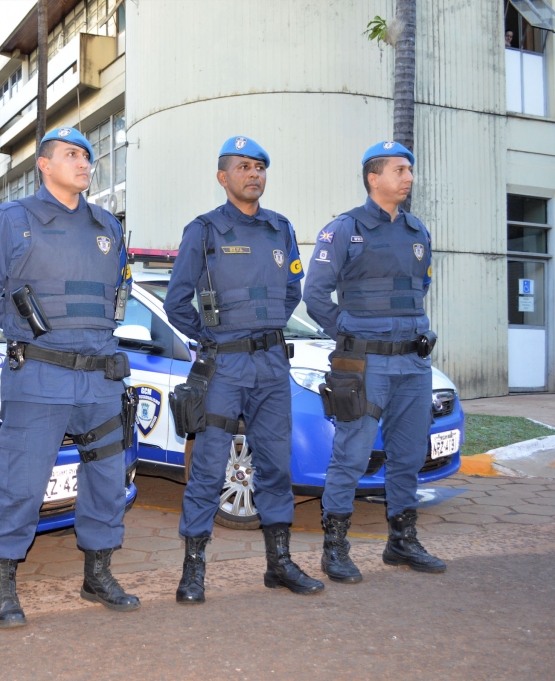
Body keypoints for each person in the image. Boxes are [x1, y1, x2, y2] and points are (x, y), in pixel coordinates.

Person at [0, 126, 139, 628]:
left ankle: (97, 575)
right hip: (39, 375)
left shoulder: (108, 224)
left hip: (100, 379)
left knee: (106, 480)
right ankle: (3, 585)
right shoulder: (14, 220)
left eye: (87, 155)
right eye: (70, 154)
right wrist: (27, 327)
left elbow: (115, 300)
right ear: (43, 164)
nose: (84, 162)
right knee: (22, 483)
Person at [164, 136, 324, 603]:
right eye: (243, 167)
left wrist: (264, 330)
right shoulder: (205, 231)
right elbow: (176, 302)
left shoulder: (281, 229)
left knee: (275, 466)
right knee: (209, 468)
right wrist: (213, 337)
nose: (254, 174)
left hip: (273, 365)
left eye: (259, 167)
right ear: (223, 177)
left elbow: (292, 290)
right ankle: (193, 571)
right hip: (225, 367)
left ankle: (280, 565)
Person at [303, 141, 446, 585]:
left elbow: (418, 292)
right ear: (374, 178)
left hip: (413, 365)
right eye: (400, 170)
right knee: (352, 456)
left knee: (408, 456)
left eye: (410, 170)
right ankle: (335, 549)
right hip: (364, 366)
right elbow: (314, 297)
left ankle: (401, 542)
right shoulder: (345, 228)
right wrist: (349, 337)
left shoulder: (417, 231)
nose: (409, 177)